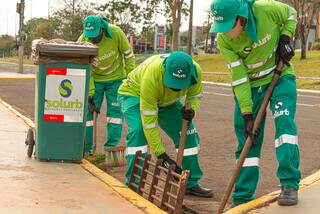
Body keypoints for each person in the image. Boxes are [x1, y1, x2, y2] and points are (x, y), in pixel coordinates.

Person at [210, 0, 300, 206]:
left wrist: (286, 38)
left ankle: (289, 183)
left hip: (280, 76)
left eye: (228, 27)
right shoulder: (223, 41)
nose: (225, 32)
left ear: (242, 17)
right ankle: (242, 197)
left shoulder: (264, 9)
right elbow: (239, 78)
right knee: (248, 137)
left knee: (285, 127)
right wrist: (247, 114)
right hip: (250, 84)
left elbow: (291, 13)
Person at [118, 51, 213, 198]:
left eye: (179, 85)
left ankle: (189, 183)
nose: (175, 88)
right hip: (134, 94)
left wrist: (192, 109)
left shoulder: (196, 72)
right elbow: (149, 123)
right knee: (138, 131)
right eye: (172, 83)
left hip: (167, 102)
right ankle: (133, 184)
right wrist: (161, 155)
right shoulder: (152, 76)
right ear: (165, 72)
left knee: (188, 132)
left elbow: (194, 96)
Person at [78, 16, 135, 155]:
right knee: (88, 114)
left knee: (115, 115)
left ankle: (110, 150)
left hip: (116, 79)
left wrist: (130, 79)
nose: (92, 39)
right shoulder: (83, 41)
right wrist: (90, 94)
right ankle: (88, 150)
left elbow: (128, 56)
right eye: (89, 35)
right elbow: (85, 70)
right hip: (95, 80)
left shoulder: (116, 33)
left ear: (102, 29)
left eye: (95, 35)